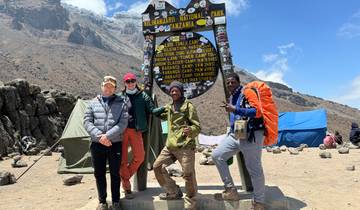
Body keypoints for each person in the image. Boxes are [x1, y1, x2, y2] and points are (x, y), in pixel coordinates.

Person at [211, 73, 266, 210]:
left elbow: (256, 112)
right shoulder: (232, 97)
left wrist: (235, 109)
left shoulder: (246, 93)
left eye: (232, 82)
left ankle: (258, 203)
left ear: (238, 82)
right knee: (217, 155)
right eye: (228, 83)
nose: (230, 85)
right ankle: (231, 190)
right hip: (236, 133)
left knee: (254, 169)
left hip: (251, 134)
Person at [152, 81, 201, 210]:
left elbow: (197, 126)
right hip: (170, 146)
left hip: (185, 146)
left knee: (188, 175)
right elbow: (156, 113)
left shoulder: (188, 106)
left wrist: (190, 130)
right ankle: (173, 191)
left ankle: (191, 203)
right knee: (157, 166)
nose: (174, 92)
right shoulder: (169, 107)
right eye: (172, 90)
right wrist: (161, 109)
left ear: (181, 91)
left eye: (176, 90)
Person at [84, 76, 129, 210]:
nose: (108, 88)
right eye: (106, 85)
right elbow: (87, 121)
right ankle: (102, 202)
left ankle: (115, 202)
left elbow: (123, 123)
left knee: (115, 173)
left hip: (114, 143)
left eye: (111, 86)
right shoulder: (92, 103)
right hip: (97, 144)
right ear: (102, 86)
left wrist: (107, 136)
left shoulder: (122, 103)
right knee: (99, 173)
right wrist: (100, 137)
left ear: (115, 89)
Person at [119, 72, 156, 199]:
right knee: (123, 159)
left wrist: (163, 110)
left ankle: (125, 177)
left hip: (136, 130)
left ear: (136, 82)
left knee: (140, 157)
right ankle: (127, 188)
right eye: (128, 81)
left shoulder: (143, 96)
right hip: (122, 131)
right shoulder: (120, 97)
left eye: (132, 81)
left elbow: (151, 109)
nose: (130, 83)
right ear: (124, 83)